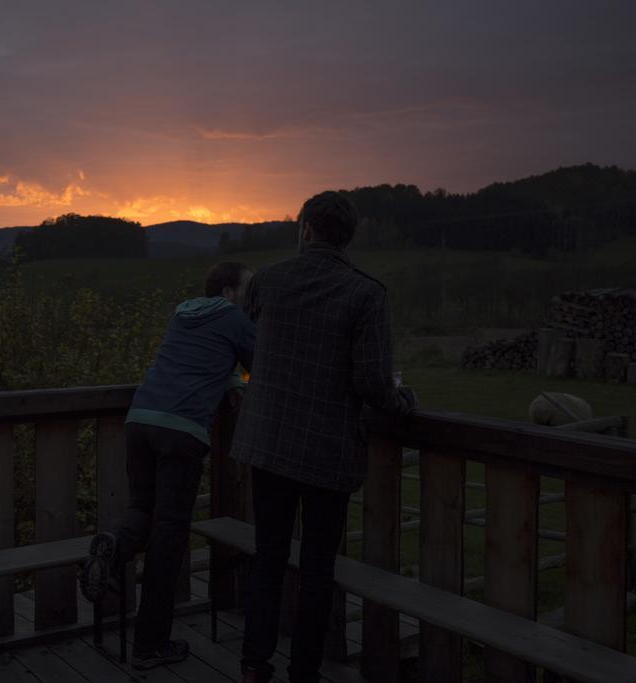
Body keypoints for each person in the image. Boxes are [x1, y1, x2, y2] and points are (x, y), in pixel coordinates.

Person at [232, 192, 417, 683]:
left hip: (268, 442)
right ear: (347, 236)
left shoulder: (270, 280)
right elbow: (374, 384)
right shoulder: (365, 294)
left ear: (306, 229)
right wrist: (404, 402)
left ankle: (254, 662)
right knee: (317, 567)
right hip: (327, 451)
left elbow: (253, 339)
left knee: (268, 556)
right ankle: (304, 671)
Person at [79, 262, 256, 670]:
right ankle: (149, 645)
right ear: (228, 292)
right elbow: (260, 364)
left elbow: (201, 361)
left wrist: (227, 380)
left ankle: (114, 545)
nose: (251, 296)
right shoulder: (234, 317)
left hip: (140, 419)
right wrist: (238, 382)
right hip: (181, 430)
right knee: (168, 537)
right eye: (248, 288)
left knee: (143, 510)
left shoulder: (183, 312)